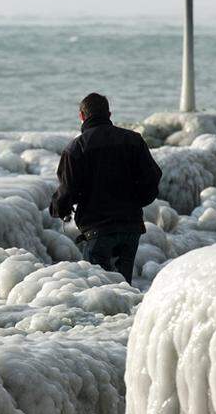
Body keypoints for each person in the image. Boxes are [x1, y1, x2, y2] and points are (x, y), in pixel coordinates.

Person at [49, 93, 161, 284]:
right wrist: (136, 202)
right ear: (109, 114)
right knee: (123, 287)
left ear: (82, 116)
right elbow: (152, 178)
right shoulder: (133, 140)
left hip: (97, 229)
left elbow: (68, 189)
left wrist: (58, 209)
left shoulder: (76, 148)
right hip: (130, 226)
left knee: (97, 289)